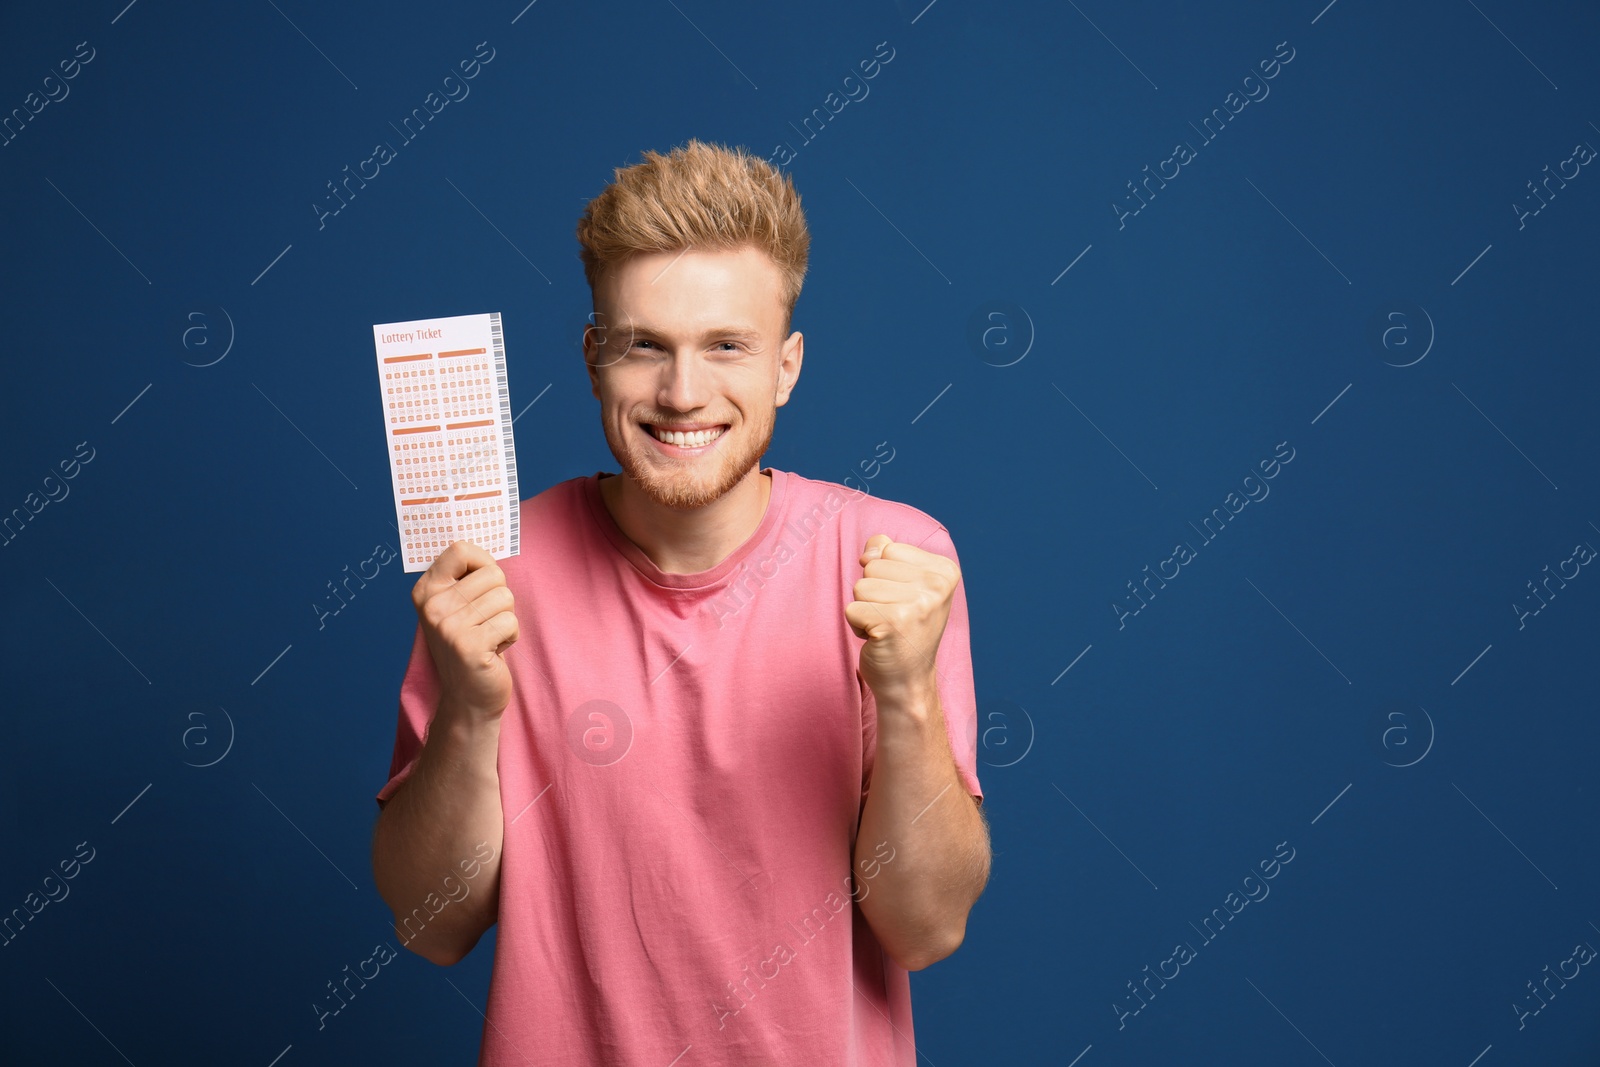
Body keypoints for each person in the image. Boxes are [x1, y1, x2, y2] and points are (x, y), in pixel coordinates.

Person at [370, 138, 990, 1065]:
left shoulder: (893, 561)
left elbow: (928, 927)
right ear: (592, 359)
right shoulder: (498, 572)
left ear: (786, 365)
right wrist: (466, 712)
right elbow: (432, 925)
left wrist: (903, 695)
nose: (683, 393)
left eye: (726, 346)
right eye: (643, 346)